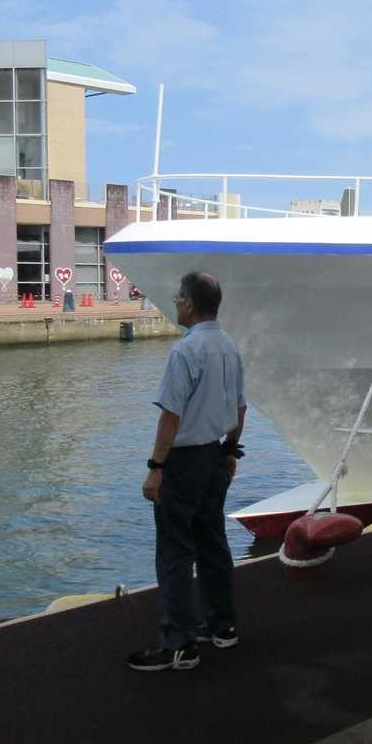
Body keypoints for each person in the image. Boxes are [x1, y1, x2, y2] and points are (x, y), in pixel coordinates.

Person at [129, 271, 248, 672]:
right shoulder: (230, 347)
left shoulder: (185, 351)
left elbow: (171, 416)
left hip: (184, 463)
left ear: (190, 304)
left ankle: (178, 644)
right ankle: (223, 626)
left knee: (175, 551)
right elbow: (241, 407)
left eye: (179, 298)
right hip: (215, 456)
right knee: (213, 542)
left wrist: (156, 467)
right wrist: (229, 450)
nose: (176, 304)